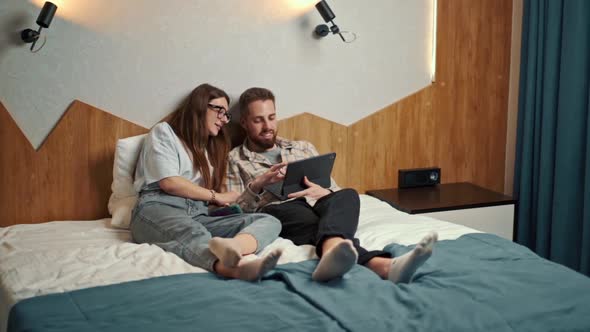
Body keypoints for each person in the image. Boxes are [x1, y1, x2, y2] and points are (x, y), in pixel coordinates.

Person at [226, 87, 437, 283]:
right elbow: (235, 212)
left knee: (348, 195)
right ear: (244, 123)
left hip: (317, 200)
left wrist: (323, 191)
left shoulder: (302, 147)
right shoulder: (235, 159)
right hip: (282, 208)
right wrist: (258, 184)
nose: (268, 126)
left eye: (271, 118)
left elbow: (333, 189)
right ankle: (384, 265)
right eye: (258, 120)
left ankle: (333, 249)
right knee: (310, 221)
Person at [130, 83, 282, 282]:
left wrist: (243, 193)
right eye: (219, 110)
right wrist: (216, 196)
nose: (224, 119)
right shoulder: (164, 132)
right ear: (200, 105)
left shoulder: (211, 150)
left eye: (227, 114)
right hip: (159, 206)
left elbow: (208, 199)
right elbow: (169, 182)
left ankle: (235, 247)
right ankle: (233, 267)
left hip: (198, 213)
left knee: (268, 220)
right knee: (193, 232)